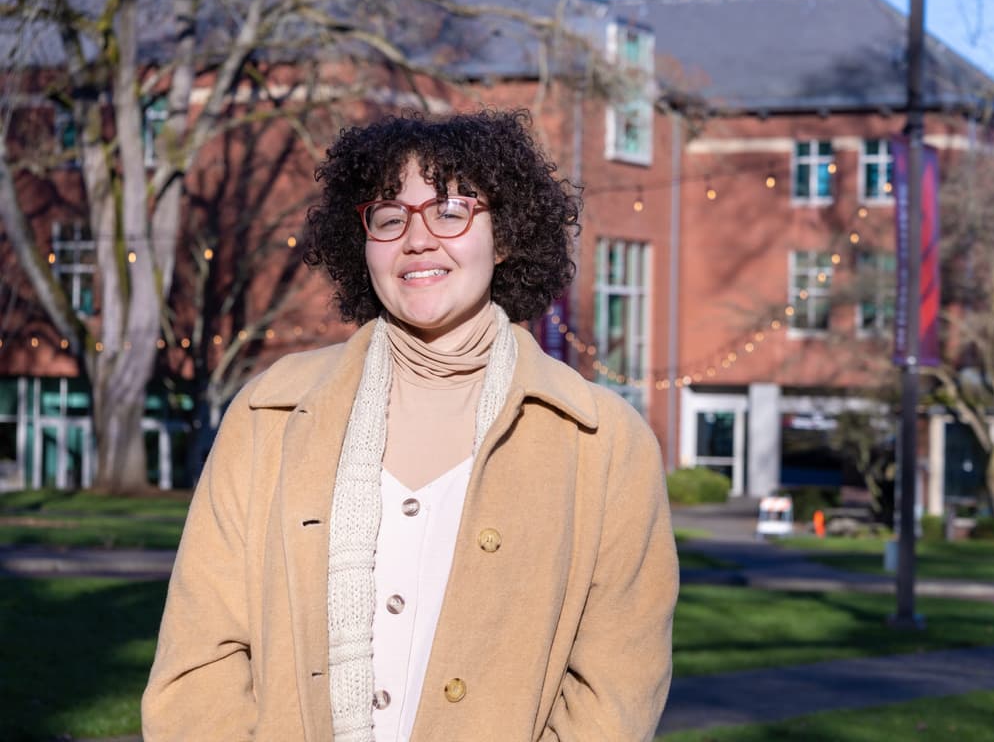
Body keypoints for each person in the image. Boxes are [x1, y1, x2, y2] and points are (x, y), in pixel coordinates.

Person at [142, 109, 678, 741]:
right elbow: (199, 659)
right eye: (390, 217)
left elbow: (617, 690)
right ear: (362, 241)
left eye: (451, 211)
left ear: (503, 237)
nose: (417, 239)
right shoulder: (269, 415)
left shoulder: (602, 443)